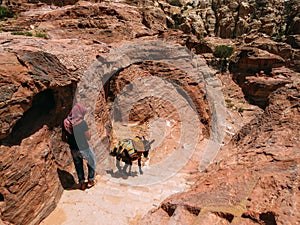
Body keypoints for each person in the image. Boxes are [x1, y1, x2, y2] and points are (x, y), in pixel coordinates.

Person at [62, 102, 96, 190]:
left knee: (78, 166)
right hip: (84, 148)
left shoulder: (66, 122)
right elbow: (88, 137)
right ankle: (91, 180)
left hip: (74, 149)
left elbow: (63, 138)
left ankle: (82, 183)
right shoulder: (82, 123)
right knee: (92, 162)